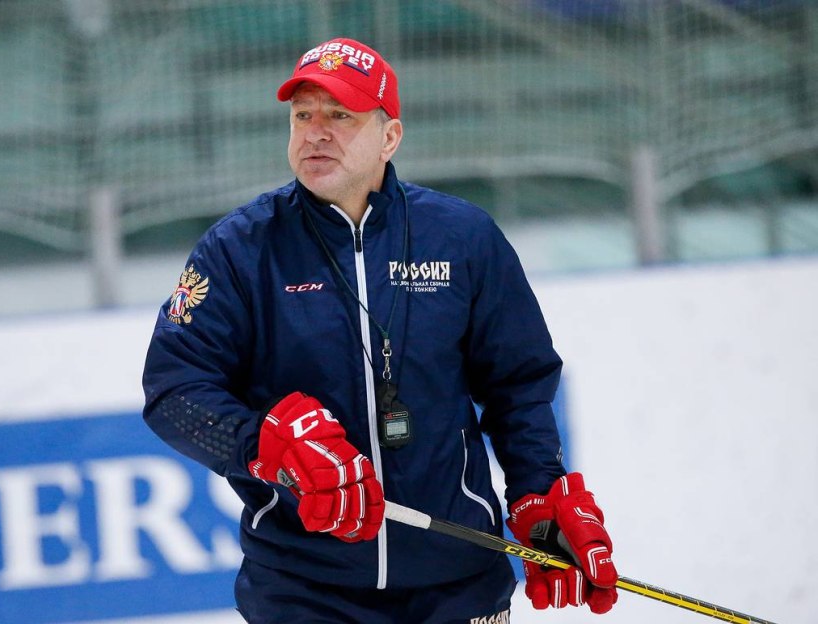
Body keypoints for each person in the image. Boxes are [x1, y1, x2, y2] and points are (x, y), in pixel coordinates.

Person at [142, 37, 618, 623]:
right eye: (302, 116)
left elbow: (517, 386)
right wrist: (265, 447)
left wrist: (538, 495)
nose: (315, 133)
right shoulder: (238, 249)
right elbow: (174, 391)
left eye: (340, 116)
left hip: (459, 583)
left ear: (390, 137)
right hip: (302, 590)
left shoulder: (463, 238)